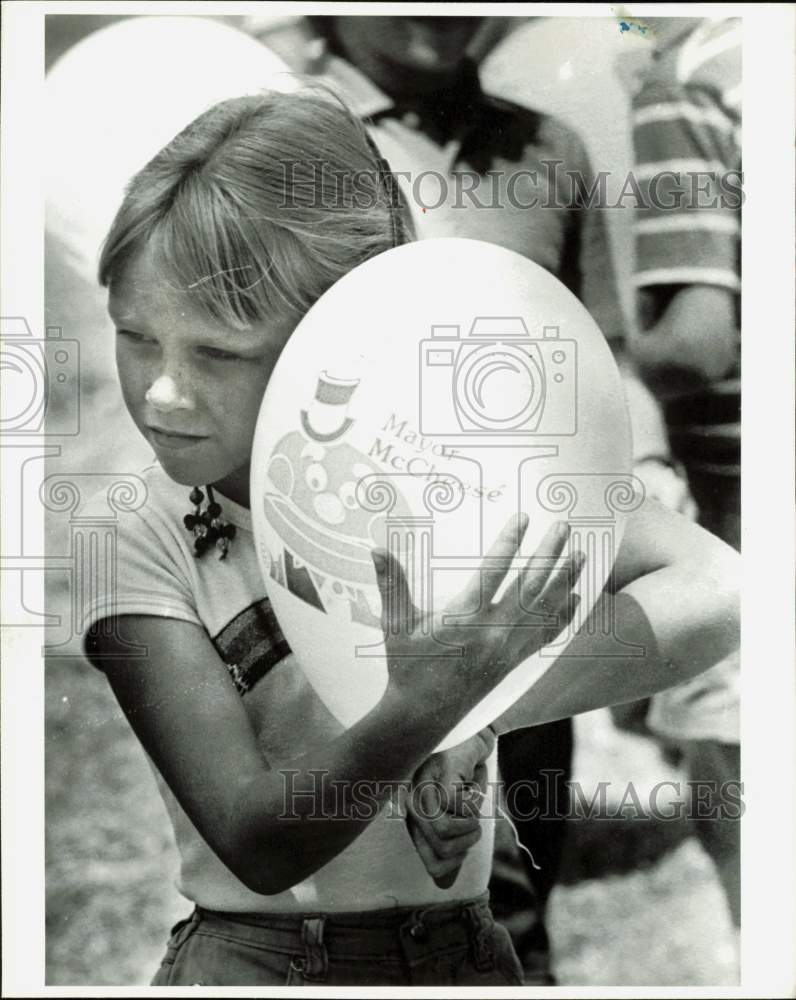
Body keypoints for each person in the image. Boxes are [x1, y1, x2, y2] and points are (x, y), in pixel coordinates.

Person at [82, 88, 740, 986]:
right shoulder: (136, 534)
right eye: (135, 338)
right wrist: (423, 710)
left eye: (219, 353)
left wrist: (482, 709)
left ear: (353, 336)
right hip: (257, 963)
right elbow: (255, 838)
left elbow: (716, 585)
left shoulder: (460, 466)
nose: (162, 390)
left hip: (467, 955)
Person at [243, 14, 687, 979]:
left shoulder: (548, 149)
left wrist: (648, 467)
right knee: (343, 915)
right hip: (337, 591)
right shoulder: (273, 133)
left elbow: (599, 355)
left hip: (526, 580)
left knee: (510, 900)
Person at [626, 16, 742, 928]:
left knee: (734, 777)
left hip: (745, 504)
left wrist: (626, 364)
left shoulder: (685, 87)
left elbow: (698, 344)